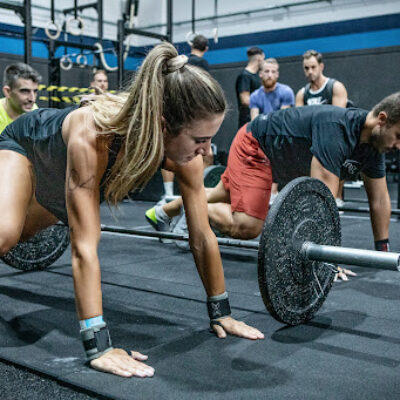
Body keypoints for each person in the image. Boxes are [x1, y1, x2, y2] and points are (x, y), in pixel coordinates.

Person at [0, 43, 264, 379]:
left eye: (210, 139)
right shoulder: (92, 132)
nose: (207, 150)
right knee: (5, 236)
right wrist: (99, 346)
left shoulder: (188, 155)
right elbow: (83, 247)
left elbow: (201, 234)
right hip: (23, 149)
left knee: (22, 236)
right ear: (165, 125)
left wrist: (222, 313)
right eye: (200, 139)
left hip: (54, 183)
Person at [149, 93, 400, 280]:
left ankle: (162, 212)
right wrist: (328, 259)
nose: (398, 146)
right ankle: (191, 212)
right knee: (247, 225)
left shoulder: (375, 148)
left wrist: (383, 253)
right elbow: (320, 201)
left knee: (217, 195)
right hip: (257, 144)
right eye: (398, 136)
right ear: (382, 119)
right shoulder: (337, 130)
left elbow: (379, 200)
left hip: (279, 159)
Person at [160, 35, 211, 203]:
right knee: (202, 154)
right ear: (206, 48)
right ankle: (194, 191)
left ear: (191, 46)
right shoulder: (202, 65)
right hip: (192, 114)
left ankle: (169, 193)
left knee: (167, 152)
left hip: (175, 111)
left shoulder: (183, 63)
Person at [295, 49, 349, 204]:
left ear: (321, 66)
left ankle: (337, 198)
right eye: (306, 68)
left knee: (336, 143)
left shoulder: (335, 87)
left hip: (331, 139)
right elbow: (298, 122)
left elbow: (337, 120)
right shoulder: (301, 93)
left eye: (313, 67)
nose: (310, 71)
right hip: (310, 139)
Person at [249, 58, 295, 203]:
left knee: (275, 142)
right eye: (266, 71)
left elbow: (280, 122)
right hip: (264, 137)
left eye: (273, 72)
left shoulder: (286, 92)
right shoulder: (255, 96)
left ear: (277, 74)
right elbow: (254, 123)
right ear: (260, 74)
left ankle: (273, 190)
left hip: (283, 138)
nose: (270, 75)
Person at [0, 62, 41, 133]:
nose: (32, 99)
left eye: (35, 91)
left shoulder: (34, 110)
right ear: (7, 92)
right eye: (25, 91)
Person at [235, 47, 265, 129]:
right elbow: (245, 100)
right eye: (263, 59)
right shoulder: (244, 76)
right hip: (247, 122)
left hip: (258, 120)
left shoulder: (256, 75)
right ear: (259, 59)